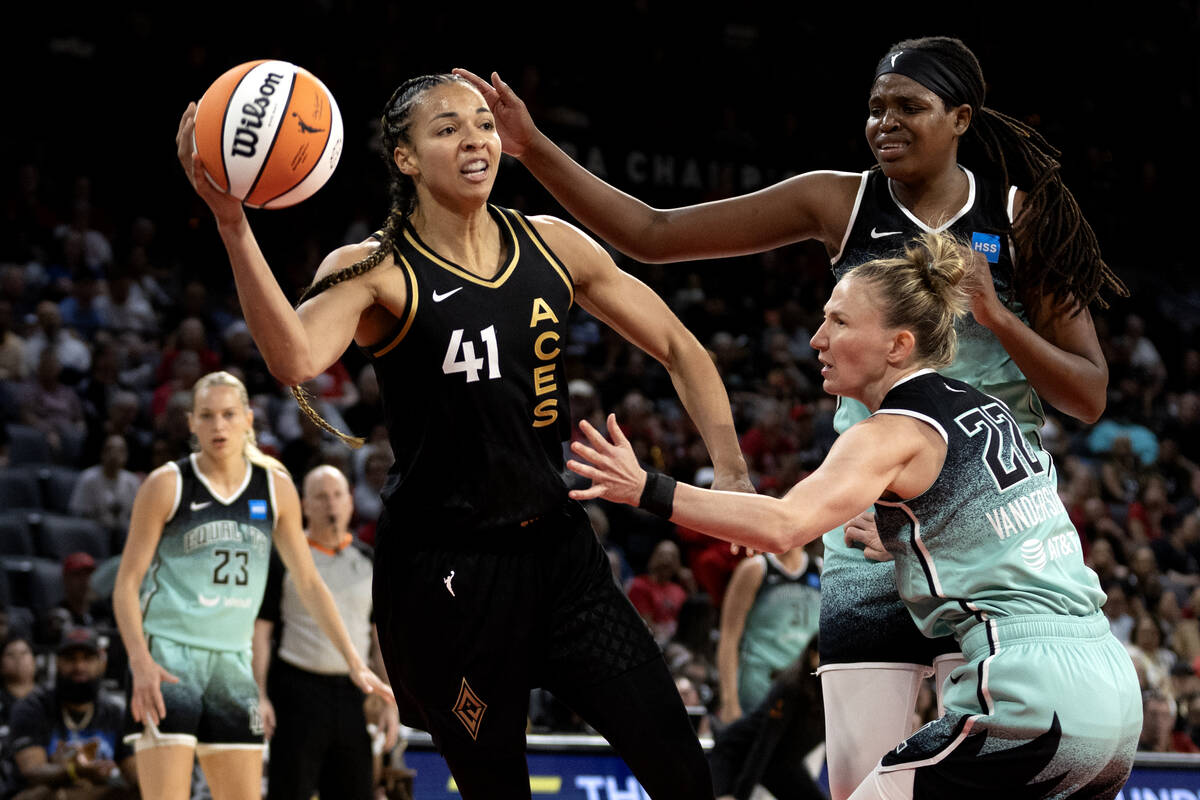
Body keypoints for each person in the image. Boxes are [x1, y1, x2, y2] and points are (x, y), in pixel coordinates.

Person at [456, 34, 1127, 798]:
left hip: (976, 534)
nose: (886, 124)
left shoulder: (1022, 222)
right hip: (864, 524)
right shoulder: (838, 200)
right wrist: (533, 147)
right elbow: (653, 234)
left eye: (910, 107)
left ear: (962, 117)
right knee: (859, 784)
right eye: (875, 109)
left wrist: (999, 319)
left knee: (972, 774)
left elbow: (1088, 393)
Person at [175, 72, 750, 799]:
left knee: (682, 769)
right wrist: (232, 223)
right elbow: (293, 356)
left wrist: (729, 471)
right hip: (445, 575)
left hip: (561, 555)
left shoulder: (553, 245)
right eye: (447, 127)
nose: (474, 138)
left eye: (482, 123)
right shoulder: (372, 267)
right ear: (406, 158)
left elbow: (679, 345)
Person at [567, 233, 1141, 799]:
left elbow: (782, 525)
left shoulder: (890, 431)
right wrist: (906, 538)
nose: (816, 339)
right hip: (1110, 692)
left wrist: (646, 487)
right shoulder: (988, 410)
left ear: (898, 345)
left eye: (839, 322)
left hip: (1029, 691)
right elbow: (1006, 531)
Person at [111, 371, 392, 800]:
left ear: (247, 418)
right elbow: (126, 584)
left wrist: (354, 661)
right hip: (169, 657)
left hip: (233, 663)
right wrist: (140, 661)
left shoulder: (275, 485)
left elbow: (310, 583)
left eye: (228, 414)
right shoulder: (167, 484)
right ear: (191, 423)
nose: (218, 425)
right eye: (206, 415)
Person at [252, 464, 399, 800]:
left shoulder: (368, 560)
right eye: (321, 497)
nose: (331, 504)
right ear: (304, 505)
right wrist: (259, 694)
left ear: (350, 502)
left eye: (337, 496)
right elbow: (261, 632)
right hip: (296, 691)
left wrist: (390, 698)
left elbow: (379, 640)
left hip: (353, 696)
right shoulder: (284, 559)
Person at [7, 626, 137, 800]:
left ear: (101, 663)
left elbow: (134, 774)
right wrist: (74, 771)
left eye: (87, 658)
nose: (79, 666)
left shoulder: (114, 714)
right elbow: (32, 772)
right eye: (70, 659)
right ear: (57, 663)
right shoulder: (33, 707)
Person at [716, 546, 820, 724]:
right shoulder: (755, 569)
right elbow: (728, 638)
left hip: (804, 687)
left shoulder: (819, 568)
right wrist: (729, 702)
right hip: (759, 685)